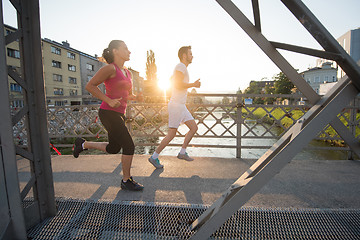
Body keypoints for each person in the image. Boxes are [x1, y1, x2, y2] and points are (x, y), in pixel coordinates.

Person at [72, 40, 143, 191]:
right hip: (108, 113)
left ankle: (82, 144)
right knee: (129, 145)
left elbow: (125, 95)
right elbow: (90, 86)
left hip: (119, 113)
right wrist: (109, 101)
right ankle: (126, 180)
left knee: (113, 148)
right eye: (125, 48)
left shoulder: (127, 72)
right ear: (115, 51)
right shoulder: (110, 68)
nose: (129, 51)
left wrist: (136, 97)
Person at [148, 46, 201, 168]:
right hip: (177, 105)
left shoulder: (182, 68)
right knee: (172, 134)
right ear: (184, 55)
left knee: (194, 128)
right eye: (190, 54)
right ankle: (154, 157)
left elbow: (173, 81)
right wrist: (194, 84)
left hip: (181, 105)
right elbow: (177, 84)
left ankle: (182, 152)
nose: (192, 56)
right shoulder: (180, 66)